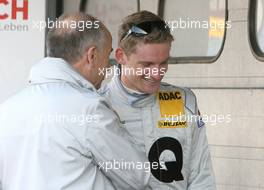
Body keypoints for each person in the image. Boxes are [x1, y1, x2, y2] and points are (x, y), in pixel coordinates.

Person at [0, 13, 150, 190]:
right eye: (107, 55)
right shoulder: (89, 108)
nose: (108, 66)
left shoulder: (7, 110)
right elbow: (138, 175)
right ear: (92, 56)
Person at [100, 11, 216, 189]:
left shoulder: (185, 100)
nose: (157, 73)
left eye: (163, 63)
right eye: (147, 65)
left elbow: (202, 176)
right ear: (121, 56)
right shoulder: (99, 106)